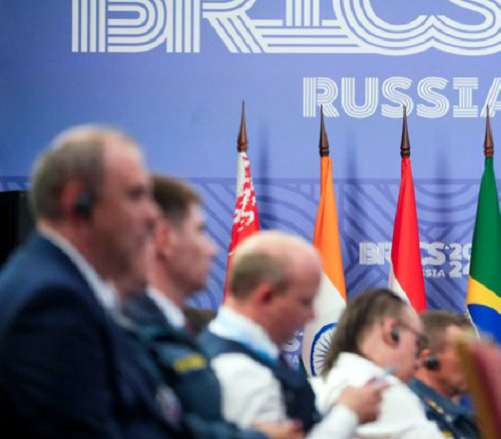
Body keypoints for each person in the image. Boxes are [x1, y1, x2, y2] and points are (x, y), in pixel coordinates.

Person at [0, 126, 184, 438]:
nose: (153, 215)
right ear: (78, 203)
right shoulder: (51, 304)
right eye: (136, 195)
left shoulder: (74, 289)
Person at [199, 230, 385, 439]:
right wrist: (348, 413)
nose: (313, 315)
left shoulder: (228, 348)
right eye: (305, 302)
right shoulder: (242, 372)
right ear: (266, 297)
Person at [123, 174, 268, 439]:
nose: (212, 250)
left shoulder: (174, 328)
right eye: (200, 231)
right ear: (165, 240)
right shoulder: (128, 331)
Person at [316, 288, 445, 439]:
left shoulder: (320, 386)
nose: (418, 363)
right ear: (392, 332)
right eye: (418, 343)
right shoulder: (383, 392)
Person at [409, 311, 478, 439]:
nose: (472, 362)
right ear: (429, 359)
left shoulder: (462, 420)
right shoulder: (410, 413)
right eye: (462, 353)